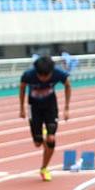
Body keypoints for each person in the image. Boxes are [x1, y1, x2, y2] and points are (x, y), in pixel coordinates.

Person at [19, 54, 71, 182]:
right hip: (34, 107)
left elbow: (68, 85)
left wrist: (66, 108)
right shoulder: (28, 75)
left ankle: (44, 168)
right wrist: (21, 108)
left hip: (50, 107)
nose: (43, 78)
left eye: (46, 76)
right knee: (37, 143)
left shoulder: (58, 73)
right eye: (40, 76)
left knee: (51, 140)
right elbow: (22, 88)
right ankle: (42, 133)